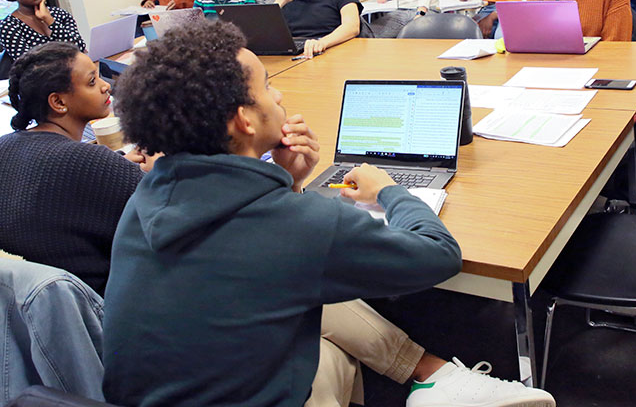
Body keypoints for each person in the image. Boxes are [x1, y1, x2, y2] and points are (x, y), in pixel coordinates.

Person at [103, 20, 555, 407]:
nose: (278, 94)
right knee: (333, 340)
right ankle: (436, 381)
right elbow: (439, 254)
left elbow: (256, 261)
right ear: (244, 120)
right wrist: (390, 190)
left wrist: (292, 182)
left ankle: (435, 376)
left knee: (313, 307)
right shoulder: (297, 225)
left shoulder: (145, 200)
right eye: (267, 85)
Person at [0, 42, 153, 296]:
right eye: (92, 82)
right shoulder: (92, 162)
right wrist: (158, 171)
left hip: (35, 312)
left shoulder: (5, 145)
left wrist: (116, 165)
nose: (106, 86)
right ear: (58, 102)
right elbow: (168, 214)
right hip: (100, 306)